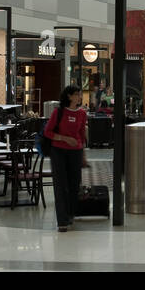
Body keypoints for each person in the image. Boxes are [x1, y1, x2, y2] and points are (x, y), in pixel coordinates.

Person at [44, 84, 88, 233]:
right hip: (58, 152)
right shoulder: (59, 112)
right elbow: (48, 132)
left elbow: (82, 135)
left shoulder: (82, 114)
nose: (79, 97)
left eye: (80, 94)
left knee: (74, 185)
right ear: (69, 96)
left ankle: (70, 214)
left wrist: (83, 154)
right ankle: (62, 221)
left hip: (75, 152)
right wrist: (64, 138)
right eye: (77, 94)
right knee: (60, 186)